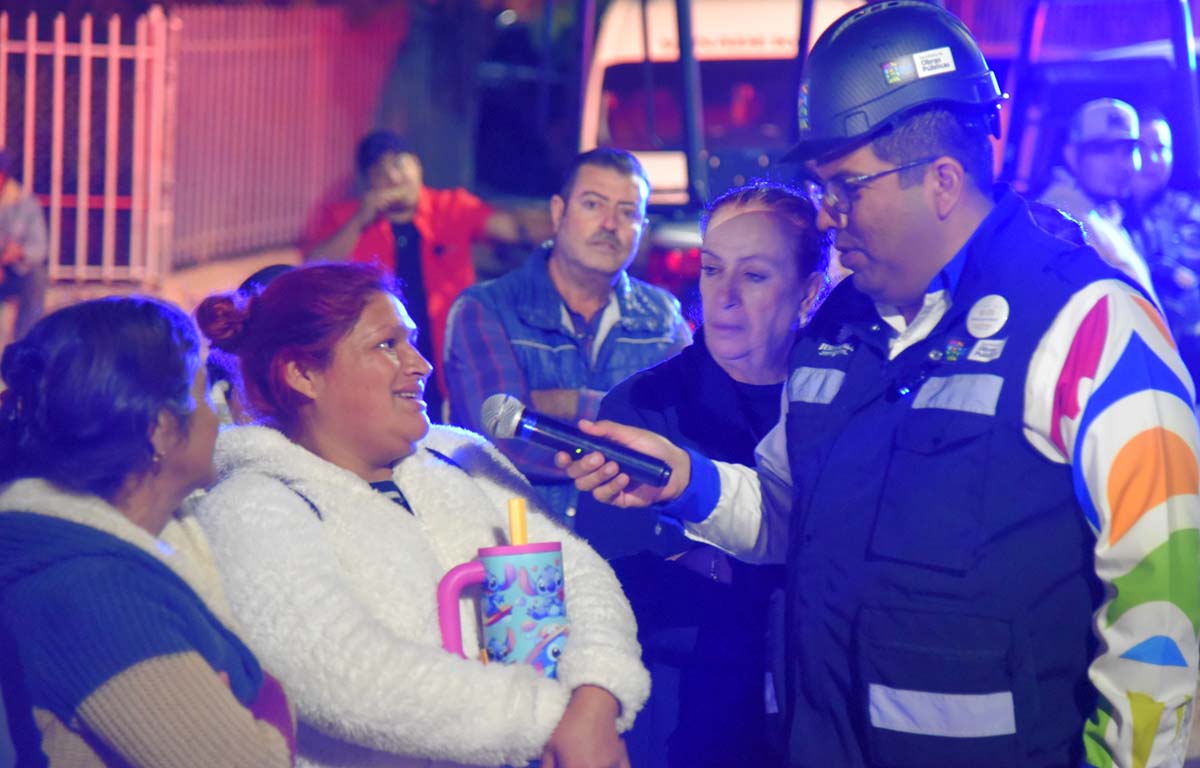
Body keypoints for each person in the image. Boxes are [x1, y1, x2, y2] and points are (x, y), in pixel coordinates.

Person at [558, 3, 1200, 767]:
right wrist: (687, 481)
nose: (828, 215)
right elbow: (792, 514)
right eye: (823, 187)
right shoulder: (837, 326)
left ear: (942, 181)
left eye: (848, 187)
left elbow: (1165, 601)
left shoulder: (1092, 323)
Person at [193, 263, 649, 768]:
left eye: (410, 340)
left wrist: (597, 695)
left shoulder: (461, 456)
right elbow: (348, 673)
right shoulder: (251, 506)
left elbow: (581, 574)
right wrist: (556, 722)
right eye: (386, 345)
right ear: (303, 374)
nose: (422, 364)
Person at [575, 182, 827, 767]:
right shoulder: (642, 406)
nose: (725, 296)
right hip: (683, 709)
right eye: (712, 270)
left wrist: (711, 559)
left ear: (809, 291)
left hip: (812, 711)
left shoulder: (834, 400)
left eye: (754, 275)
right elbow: (613, 573)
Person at [0, 296, 295, 767]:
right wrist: (267, 696)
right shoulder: (96, 595)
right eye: (202, 394)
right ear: (159, 428)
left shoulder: (133, 553)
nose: (216, 416)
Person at [444, 148, 693, 523]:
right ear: (558, 212)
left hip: (634, 545)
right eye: (593, 204)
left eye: (628, 212)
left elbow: (686, 434)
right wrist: (635, 441)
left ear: (642, 228)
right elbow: (504, 443)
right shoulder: (487, 308)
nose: (610, 224)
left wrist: (565, 403)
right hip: (523, 539)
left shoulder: (663, 317)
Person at [304, 130, 550, 422]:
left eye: (398, 163)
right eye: (379, 171)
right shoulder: (345, 217)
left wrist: (561, 226)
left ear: (417, 165)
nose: (392, 177)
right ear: (367, 182)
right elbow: (312, 269)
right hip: (382, 365)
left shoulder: (452, 207)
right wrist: (360, 220)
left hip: (448, 359)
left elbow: (512, 229)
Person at [1038, 98, 1161, 305]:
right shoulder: (1059, 219)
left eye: (1128, 150)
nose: (1120, 164)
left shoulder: (1104, 213)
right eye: (1102, 149)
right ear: (1072, 156)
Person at [1128, 108, 1200, 388]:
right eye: (1142, 148)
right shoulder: (1105, 217)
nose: (1153, 160)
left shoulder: (1190, 213)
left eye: (1161, 149)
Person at [0, 148, 48, 346]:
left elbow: (39, 248)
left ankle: (24, 343)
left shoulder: (25, 203)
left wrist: (19, 252)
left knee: (36, 276)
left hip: (13, 272)